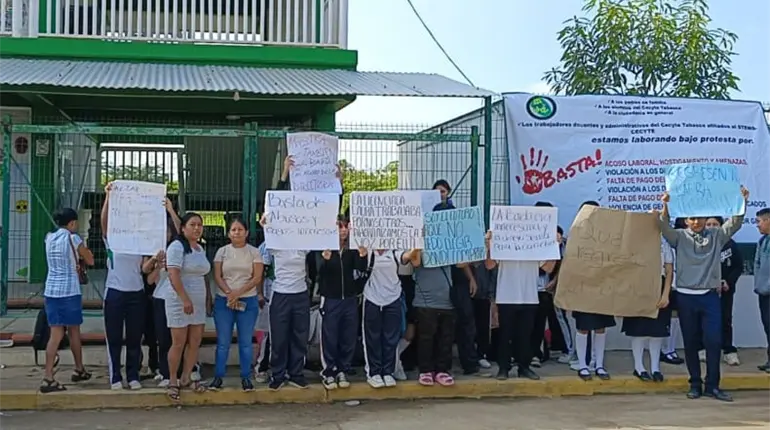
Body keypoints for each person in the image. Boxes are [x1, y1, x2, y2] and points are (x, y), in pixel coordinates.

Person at [658, 186, 749, 402]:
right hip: (685, 297)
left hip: (709, 296)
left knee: (714, 341)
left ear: (706, 218)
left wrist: (742, 201)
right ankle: (695, 384)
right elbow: (662, 224)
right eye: (692, 219)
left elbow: (735, 223)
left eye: (700, 218)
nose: (696, 222)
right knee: (691, 342)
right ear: (686, 221)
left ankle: (713, 386)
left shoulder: (717, 235)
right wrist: (666, 204)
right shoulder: (678, 237)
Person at [39, 208, 95, 393]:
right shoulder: (73, 239)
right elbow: (90, 260)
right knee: (73, 332)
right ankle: (71, 370)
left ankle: (53, 373)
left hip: (51, 291)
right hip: (69, 291)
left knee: (55, 334)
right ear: (72, 223)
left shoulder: (49, 238)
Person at [485, 232, 553, 381]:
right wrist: (489, 247)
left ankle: (524, 367)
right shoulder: (503, 240)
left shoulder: (535, 243)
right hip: (506, 296)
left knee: (525, 335)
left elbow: (548, 268)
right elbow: (489, 265)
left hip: (529, 297)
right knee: (504, 335)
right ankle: (503, 367)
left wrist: (554, 246)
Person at [209, 217, 264, 392]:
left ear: (246, 232)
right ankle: (218, 377)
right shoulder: (222, 251)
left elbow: (257, 277)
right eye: (233, 229)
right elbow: (217, 276)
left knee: (246, 342)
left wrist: (237, 293)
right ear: (228, 233)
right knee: (223, 342)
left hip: (248, 300)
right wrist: (229, 293)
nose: (237, 232)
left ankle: (246, 377)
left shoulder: (254, 252)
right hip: (223, 300)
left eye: (240, 229)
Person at [259, 216, 312, 391]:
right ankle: (278, 374)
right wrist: (265, 224)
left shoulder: (304, 243)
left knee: (299, 336)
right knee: (279, 337)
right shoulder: (276, 244)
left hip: (300, 294)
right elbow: (268, 232)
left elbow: (319, 236)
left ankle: (296, 373)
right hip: (280, 294)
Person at [165, 212, 212, 401]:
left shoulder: (200, 249)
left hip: (198, 302)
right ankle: (172, 379)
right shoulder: (176, 247)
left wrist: (207, 299)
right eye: (192, 225)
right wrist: (185, 299)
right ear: (183, 228)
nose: (197, 228)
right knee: (178, 342)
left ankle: (186, 377)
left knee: (194, 341)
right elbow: (173, 275)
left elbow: (204, 275)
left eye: (199, 225)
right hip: (179, 300)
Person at [316, 218, 367, 389]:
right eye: (340, 227)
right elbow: (317, 273)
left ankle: (342, 369)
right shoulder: (323, 247)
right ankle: (329, 371)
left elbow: (360, 269)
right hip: (331, 299)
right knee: (330, 336)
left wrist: (363, 256)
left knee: (348, 336)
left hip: (350, 299)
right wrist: (325, 260)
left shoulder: (352, 248)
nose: (343, 230)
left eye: (346, 227)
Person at [571, 200, 614, 380]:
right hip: (583, 287)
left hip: (602, 287)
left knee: (601, 327)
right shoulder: (576, 234)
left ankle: (599, 364)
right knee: (583, 327)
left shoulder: (607, 234)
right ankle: (582, 364)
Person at [622, 235, 674, 382]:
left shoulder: (664, 243)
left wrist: (665, 294)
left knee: (657, 331)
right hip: (637, 288)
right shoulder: (633, 242)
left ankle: (655, 368)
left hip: (659, 287)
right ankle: (639, 367)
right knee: (638, 330)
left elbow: (669, 271)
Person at [699, 217, 743, 366]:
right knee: (703, 320)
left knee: (725, 319)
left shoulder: (730, 244)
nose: (712, 227)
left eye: (715, 224)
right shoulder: (699, 244)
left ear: (721, 226)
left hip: (725, 290)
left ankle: (728, 351)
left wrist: (727, 281)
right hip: (705, 290)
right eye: (709, 224)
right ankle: (703, 348)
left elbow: (738, 266)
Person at [361, 247, 404, 388]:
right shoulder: (368, 250)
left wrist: (416, 245)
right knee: (372, 337)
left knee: (391, 337)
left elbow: (406, 258)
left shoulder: (394, 249)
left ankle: (388, 372)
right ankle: (374, 372)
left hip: (393, 297)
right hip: (372, 297)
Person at [660, 218, 686, 366]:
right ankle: (665, 350)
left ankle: (670, 348)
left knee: (675, 317)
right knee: (665, 317)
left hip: (682, 284)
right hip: (668, 283)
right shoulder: (667, 241)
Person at [753, 208, 770, 373]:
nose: (757, 225)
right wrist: (759, 285)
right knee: (768, 326)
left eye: (759, 221)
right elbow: (757, 264)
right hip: (763, 292)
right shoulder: (762, 240)